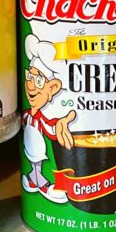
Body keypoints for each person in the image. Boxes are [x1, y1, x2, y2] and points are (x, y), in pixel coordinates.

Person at [22, 34, 76, 204]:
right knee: (33, 157)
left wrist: (61, 123)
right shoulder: (29, 115)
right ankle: (34, 179)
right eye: (29, 77)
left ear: (52, 88)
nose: (30, 85)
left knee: (38, 156)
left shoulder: (42, 118)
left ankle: (42, 183)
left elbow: (50, 128)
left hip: (39, 147)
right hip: (28, 145)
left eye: (37, 80)